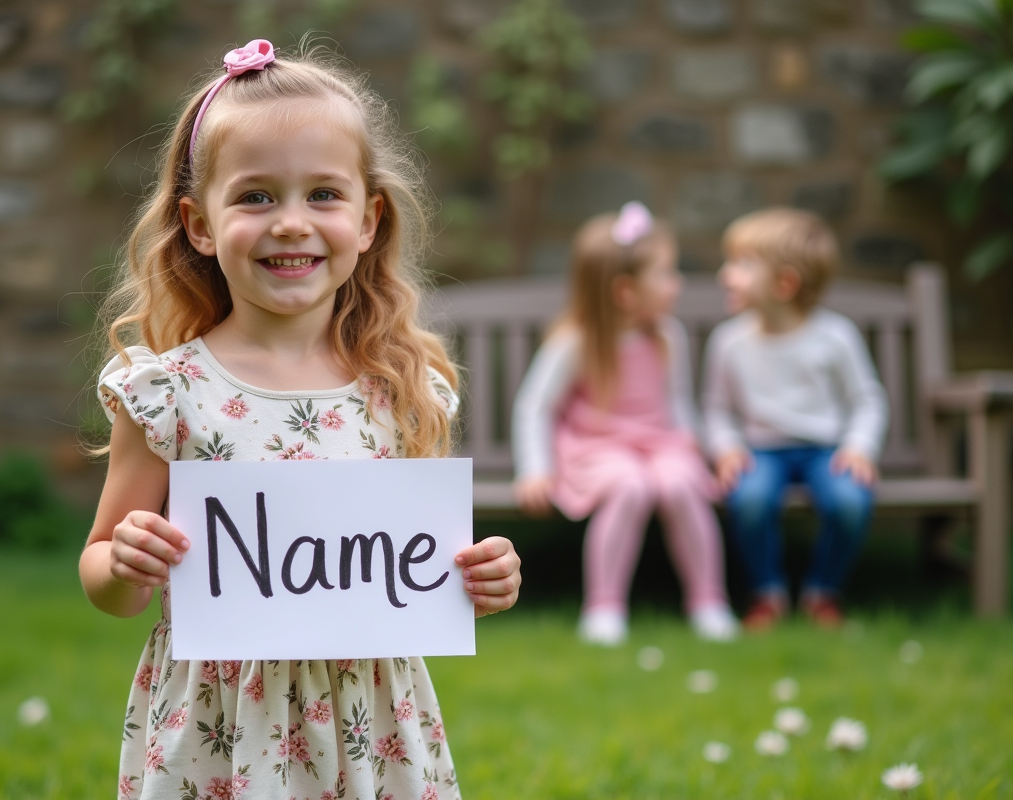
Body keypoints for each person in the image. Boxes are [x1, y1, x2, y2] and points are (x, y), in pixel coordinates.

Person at [79, 41, 521, 800]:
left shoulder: (402, 390)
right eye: (255, 197)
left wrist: (486, 577)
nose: (291, 223)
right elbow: (104, 577)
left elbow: (421, 563)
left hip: (371, 715)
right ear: (199, 224)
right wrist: (124, 563)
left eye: (323, 194)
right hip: (222, 723)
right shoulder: (168, 394)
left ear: (369, 219)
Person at [511, 202, 738, 646]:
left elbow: (679, 405)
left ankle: (708, 600)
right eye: (667, 274)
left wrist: (706, 452)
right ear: (626, 292)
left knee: (679, 484)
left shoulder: (667, 336)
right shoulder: (575, 342)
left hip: (661, 444)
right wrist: (535, 469)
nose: (678, 284)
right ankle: (604, 606)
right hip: (598, 448)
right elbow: (535, 407)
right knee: (630, 486)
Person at [703, 207, 887, 630]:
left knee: (849, 502)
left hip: (825, 450)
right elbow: (718, 409)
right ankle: (768, 592)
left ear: (785, 283)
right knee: (748, 499)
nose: (725, 275)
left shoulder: (835, 337)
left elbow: (867, 400)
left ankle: (823, 590)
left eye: (741, 264)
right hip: (762, 451)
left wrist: (859, 446)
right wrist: (727, 447)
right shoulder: (729, 342)